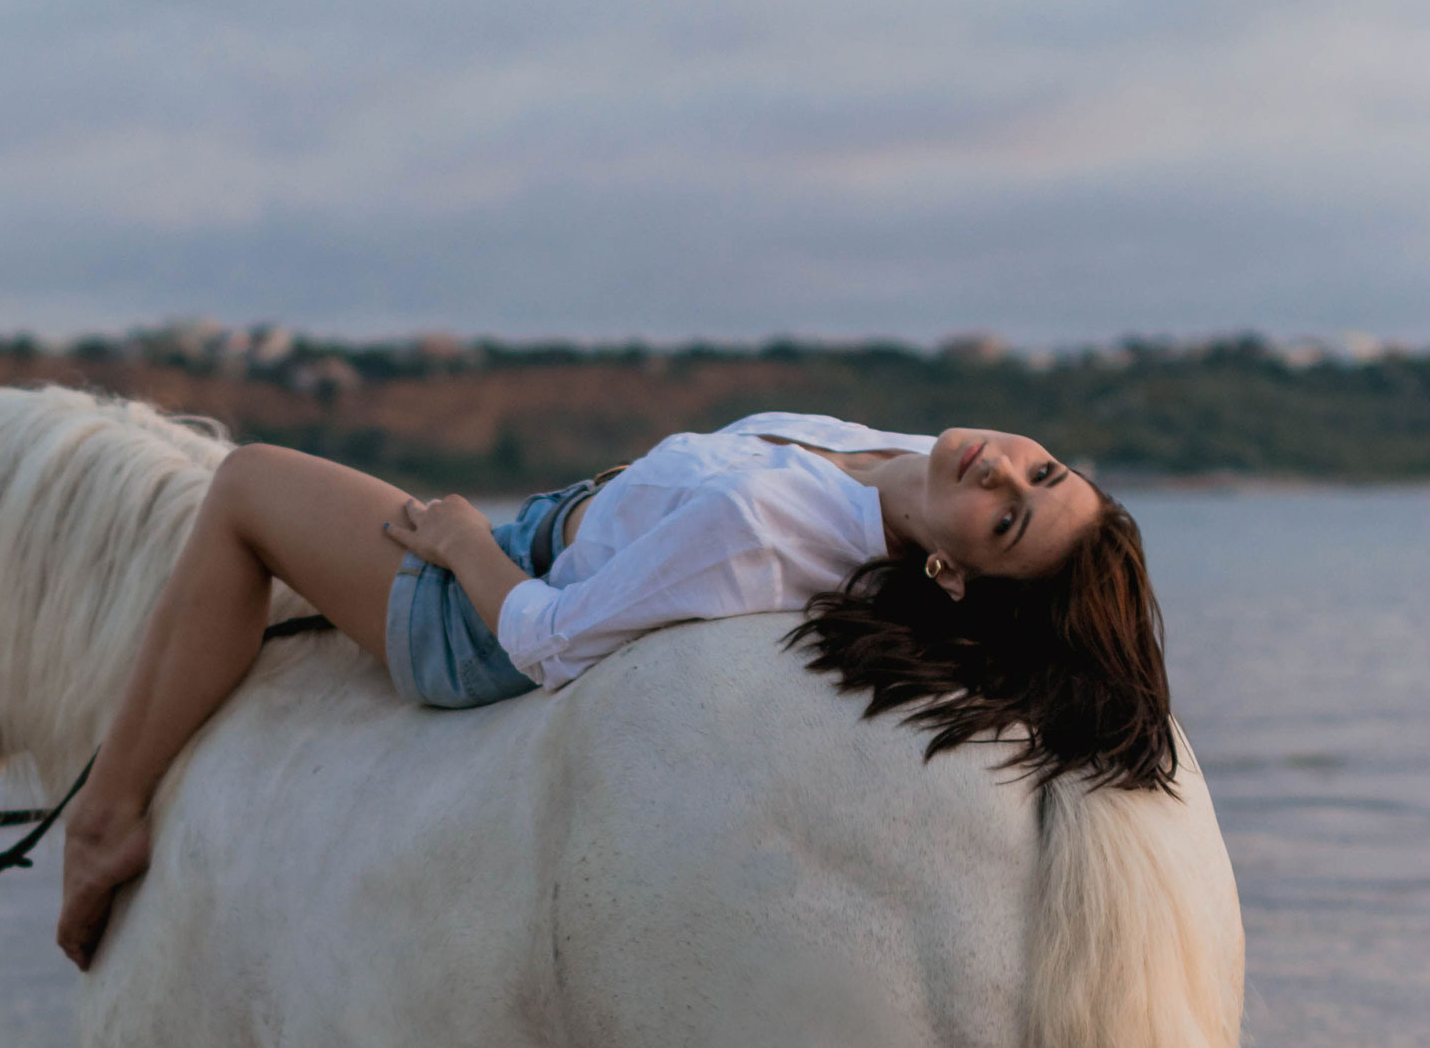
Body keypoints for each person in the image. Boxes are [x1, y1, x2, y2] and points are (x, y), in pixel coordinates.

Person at [56, 412, 1171, 967]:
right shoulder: (909, 461)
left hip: (480, 609)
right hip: (539, 531)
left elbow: (548, 642)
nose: (1003, 470)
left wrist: (460, 543)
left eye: (1008, 518)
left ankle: (105, 816)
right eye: (1042, 471)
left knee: (247, 482)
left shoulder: (764, 528)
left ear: (953, 575)